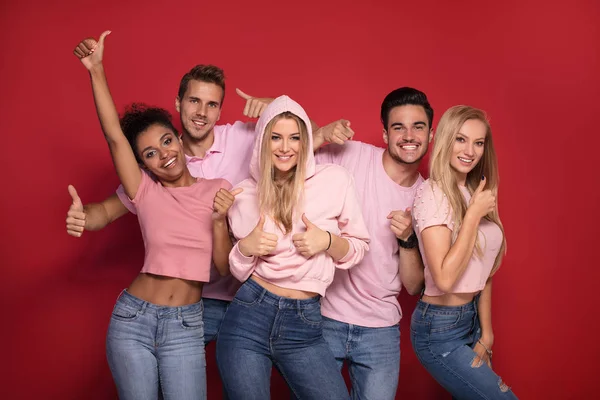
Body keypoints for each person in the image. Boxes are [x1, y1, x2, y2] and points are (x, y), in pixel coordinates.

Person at [66, 45, 272, 346]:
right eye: (194, 101)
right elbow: (108, 194)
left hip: (238, 296)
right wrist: (82, 217)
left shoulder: (236, 151)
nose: (202, 112)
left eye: (211, 104)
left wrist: (274, 108)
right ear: (179, 103)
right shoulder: (151, 180)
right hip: (165, 307)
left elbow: (303, 139)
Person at [72, 31, 234, 400]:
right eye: (148, 154)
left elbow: (224, 269)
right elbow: (114, 136)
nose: (163, 155)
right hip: (133, 319)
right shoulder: (144, 191)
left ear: (178, 138)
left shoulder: (217, 188)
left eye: (165, 141)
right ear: (143, 164)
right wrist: (96, 70)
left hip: (187, 323)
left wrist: (219, 221)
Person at [216, 95, 370, 400]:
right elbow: (237, 269)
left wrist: (327, 241)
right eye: (275, 137)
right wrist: (246, 248)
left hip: (304, 323)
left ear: (306, 141)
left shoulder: (335, 180)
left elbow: (359, 248)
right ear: (262, 141)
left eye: (294, 138)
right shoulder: (244, 194)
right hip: (249, 315)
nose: (285, 147)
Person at [309, 87, 432, 399]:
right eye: (398, 127)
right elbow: (290, 154)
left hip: (381, 330)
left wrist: (407, 241)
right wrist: (321, 133)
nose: (409, 135)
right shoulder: (353, 155)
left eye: (418, 126)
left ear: (431, 135)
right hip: (325, 318)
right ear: (385, 133)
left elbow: (415, 285)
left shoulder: (430, 197)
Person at [410, 105, 517, 399]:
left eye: (479, 142)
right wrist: (472, 216)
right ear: (445, 140)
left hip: (470, 320)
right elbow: (444, 278)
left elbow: (485, 271)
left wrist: (487, 333)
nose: (470, 150)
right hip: (439, 327)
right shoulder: (432, 194)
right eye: (461, 139)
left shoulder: (474, 191)